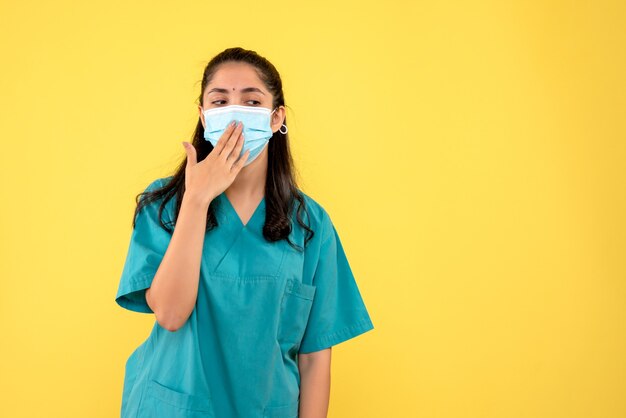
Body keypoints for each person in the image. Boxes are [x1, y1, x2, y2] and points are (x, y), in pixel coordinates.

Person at [115, 47, 374, 418]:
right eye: (220, 101)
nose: (235, 114)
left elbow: (315, 358)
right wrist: (197, 199)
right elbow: (170, 314)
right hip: (175, 407)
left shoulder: (309, 224)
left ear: (275, 117)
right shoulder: (166, 205)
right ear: (204, 116)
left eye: (251, 101)